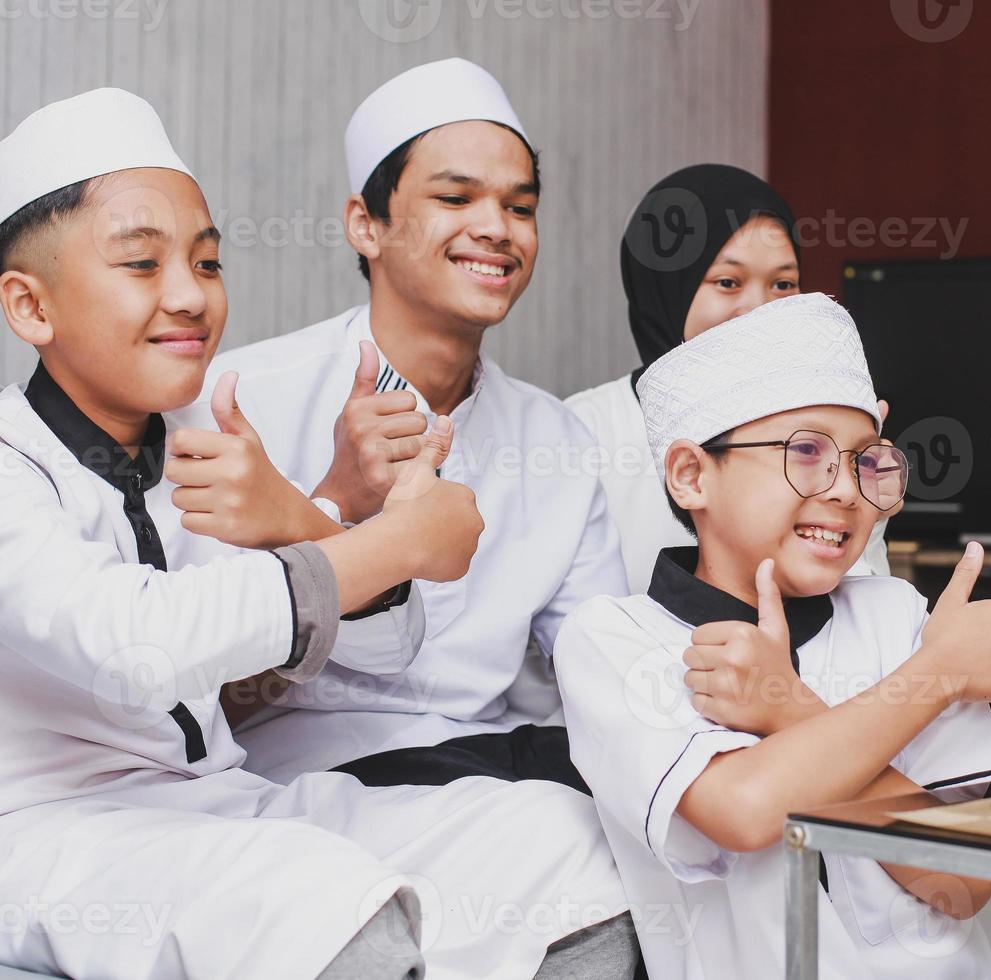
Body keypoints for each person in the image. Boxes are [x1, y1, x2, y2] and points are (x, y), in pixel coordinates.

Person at [0, 87, 633, 980]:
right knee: (309, 892)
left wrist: (309, 518)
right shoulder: (10, 466)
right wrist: (399, 539)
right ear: (31, 307)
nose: (189, 296)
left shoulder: (200, 443)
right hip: (55, 834)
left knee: (556, 842)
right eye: (142, 265)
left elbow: (376, 650)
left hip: (215, 803)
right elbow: (136, 639)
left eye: (208, 263)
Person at [180, 58, 628, 795]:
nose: (496, 229)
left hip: (494, 769)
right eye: (457, 197)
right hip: (295, 780)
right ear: (367, 224)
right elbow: (195, 684)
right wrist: (334, 507)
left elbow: (600, 664)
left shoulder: (557, 442)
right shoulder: (241, 399)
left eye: (521, 208)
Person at [556, 292, 991, 979]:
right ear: (691, 475)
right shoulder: (615, 641)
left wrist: (792, 708)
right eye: (807, 451)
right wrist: (937, 676)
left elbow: (964, 885)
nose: (845, 490)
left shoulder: (900, 617)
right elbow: (744, 810)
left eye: (868, 461)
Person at [566, 164, 890, 592]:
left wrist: (859, 468)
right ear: (664, 290)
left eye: (783, 284)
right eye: (727, 281)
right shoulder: (581, 432)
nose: (761, 310)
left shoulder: (839, 433)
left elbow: (860, 620)